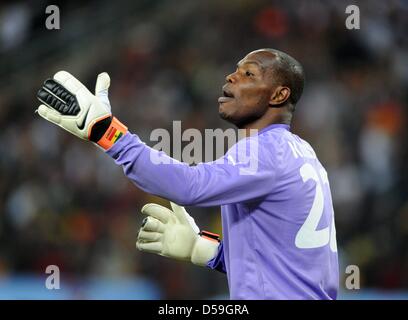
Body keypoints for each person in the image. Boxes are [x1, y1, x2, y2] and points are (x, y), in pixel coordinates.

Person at [36, 48, 339, 300]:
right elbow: (288, 268)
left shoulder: (266, 151)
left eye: (249, 74)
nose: (231, 77)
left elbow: (190, 186)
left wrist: (109, 134)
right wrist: (205, 251)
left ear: (279, 94)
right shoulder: (301, 153)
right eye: (235, 70)